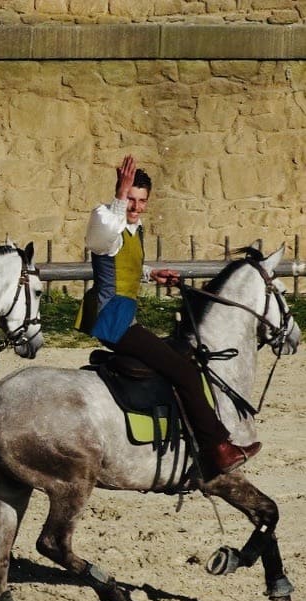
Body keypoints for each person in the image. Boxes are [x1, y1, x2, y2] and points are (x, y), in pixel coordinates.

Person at [75, 154, 260, 478]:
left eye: (141, 200)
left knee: (181, 356)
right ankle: (219, 447)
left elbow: (122, 264)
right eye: (131, 199)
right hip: (112, 321)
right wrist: (119, 195)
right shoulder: (105, 217)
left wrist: (151, 274)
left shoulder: (133, 227)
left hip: (123, 318)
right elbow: (102, 241)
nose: (135, 206)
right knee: (185, 372)